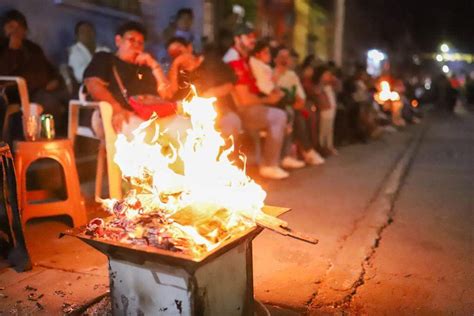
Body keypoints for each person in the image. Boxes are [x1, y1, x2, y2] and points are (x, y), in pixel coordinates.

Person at [83, 21, 190, 139]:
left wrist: (154, 65)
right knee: (145, 134)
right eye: (131, 40)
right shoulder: (105, 58)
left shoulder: (145, 66)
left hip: (151, 115)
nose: (136, 45)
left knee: (187, 129)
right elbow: (93, 84)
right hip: (117, 113)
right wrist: (116, 108)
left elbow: (167, 95)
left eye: (140, 42)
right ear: (118, 41)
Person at [223, 24, 289, 180]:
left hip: (245, 107)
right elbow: (244, 99)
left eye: (254, 36)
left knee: (284, 113)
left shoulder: (242, 58)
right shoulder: (234, 60)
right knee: (278, 116)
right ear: (237, 39)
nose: (253, 40)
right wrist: (268, 99)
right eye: (248, 36)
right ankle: (269, 165)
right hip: (236, 111)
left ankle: (278, 159)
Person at [0, 9, 69, 136]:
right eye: (11, 27)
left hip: (44, 89)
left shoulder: (33, 48)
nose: (15, 31)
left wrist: (55, 79)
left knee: (69, 98)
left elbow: (50, 69)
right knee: (50, 103)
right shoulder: (2, 48)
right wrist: (12, 51)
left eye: (19, 27)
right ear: (4, 29)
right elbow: (4, 75)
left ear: (25, 30)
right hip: (20, 93)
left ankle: (68, 142)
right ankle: (44, 139)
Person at [166, 38, 242, 140]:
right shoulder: (176, 72)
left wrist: (209, 95)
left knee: (230, 124)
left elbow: (230, 84)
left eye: (179, 51)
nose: (178, 56)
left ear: (189, 48)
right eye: (173, 54)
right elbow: (172, 95)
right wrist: (175, 66)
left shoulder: (211, 62)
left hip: (219, 110)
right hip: (188, 114)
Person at [273, 46, 325, 166]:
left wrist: (297, 103)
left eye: (287, 57)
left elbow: (300, 97)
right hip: (277, 107)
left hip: (292, 107)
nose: (285, 60)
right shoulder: (270, 73)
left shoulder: (292, 76)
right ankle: (305, 151)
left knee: (303, 114)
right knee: (295, 116)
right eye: (282, 57)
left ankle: (308, 150)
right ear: (275, 59)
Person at [313, 65, 339, 156]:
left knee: (329, 130)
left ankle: (329, 146)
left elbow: (338, 88)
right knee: (323, 130)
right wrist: (322, 83)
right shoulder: (320, 86)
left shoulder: (330, 86)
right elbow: (317, 92)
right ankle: (322, 147)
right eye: (326, 75)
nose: (328, 76)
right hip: (324, 110)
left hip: (331, 109)